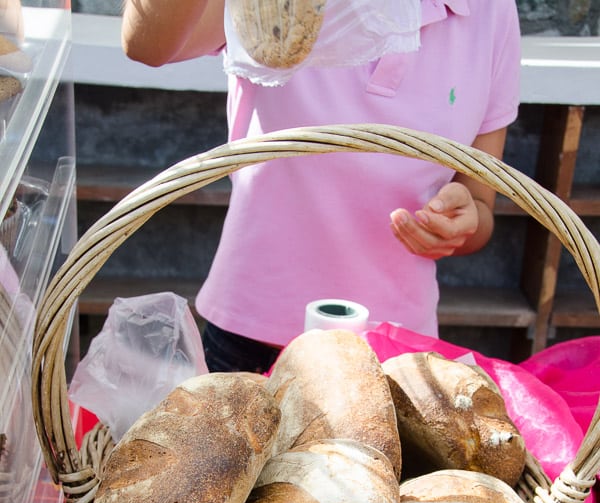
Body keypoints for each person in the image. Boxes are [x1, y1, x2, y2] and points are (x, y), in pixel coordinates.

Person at [122, 1, 521, 373]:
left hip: (396, 351)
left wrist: (461, 221)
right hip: (252, 333)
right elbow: (147, 45)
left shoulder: (490, 12)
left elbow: (480, 203)